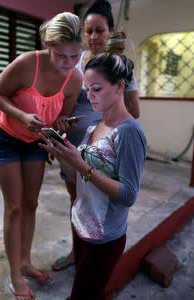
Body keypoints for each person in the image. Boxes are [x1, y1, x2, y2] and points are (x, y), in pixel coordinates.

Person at [0, 12, 83, 300]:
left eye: (75, 56)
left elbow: (62, 114)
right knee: (14, 207)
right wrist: (20, 115)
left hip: (35, 142)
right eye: (62, 56)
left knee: (31, 203)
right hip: (6, 137)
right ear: (48, 44)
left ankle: (25, 262)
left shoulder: (75, 78)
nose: (68, 63)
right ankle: (14, 275)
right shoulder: (26, 64)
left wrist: (62, 124)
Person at [39, 50, 146, 300]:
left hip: (104, 237)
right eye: (87, 89)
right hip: (81, 224)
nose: (89, 96)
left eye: (96, 88)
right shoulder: (95, 126)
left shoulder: (129, 132)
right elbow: (79, 178)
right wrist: (64, 154)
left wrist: (84, 167)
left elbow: (128, 195)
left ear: (120, 86)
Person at [52, 0, 140, 272]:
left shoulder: (120, 67)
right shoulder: (75, 63)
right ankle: (76, 250)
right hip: (74, 144)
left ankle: (95, 254)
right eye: (88, 31)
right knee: (77, 200)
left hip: (103, 150)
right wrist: (62, 122)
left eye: (99, 30)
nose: (93, 37)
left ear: (110, 31)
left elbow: (133, 112)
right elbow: (62, 102)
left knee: (99, 201)